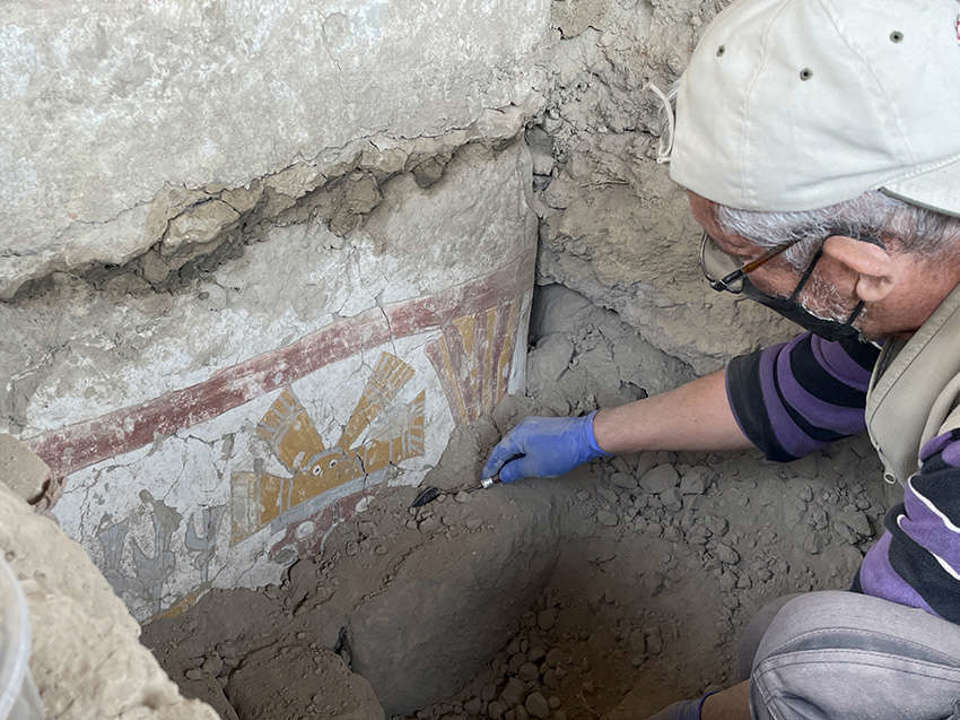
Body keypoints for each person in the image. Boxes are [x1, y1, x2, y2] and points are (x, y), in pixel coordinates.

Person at [481, 1, 960, 718]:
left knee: (802, 642)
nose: (722, 267)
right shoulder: (925, 278)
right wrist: (591, 434)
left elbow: (858, 683)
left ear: (860, 269)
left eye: (736, 256)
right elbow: (804, 391)